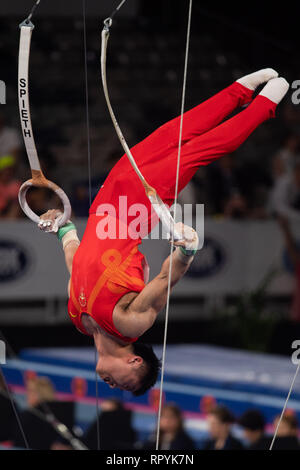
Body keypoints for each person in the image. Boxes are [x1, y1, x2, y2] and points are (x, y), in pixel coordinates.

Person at [38, 70, 289, 396]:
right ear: (136, 364)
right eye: (127, 386)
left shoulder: (79, 320)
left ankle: (241, 90)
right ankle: (266, 105)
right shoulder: (129, 325)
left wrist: (62, 229)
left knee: (176, 130)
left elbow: (78, 264)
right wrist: (186, 252)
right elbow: (163, 281)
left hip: (106, 201)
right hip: (136, 207)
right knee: (202, 148)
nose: (114, 387)